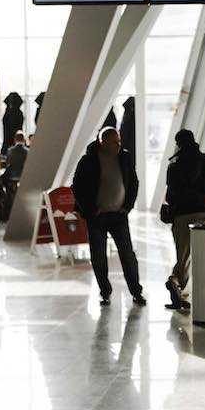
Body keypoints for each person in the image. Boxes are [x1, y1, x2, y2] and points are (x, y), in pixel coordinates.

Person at [72, 127, 144, 307]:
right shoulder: (88, 161)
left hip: (119, 215)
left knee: (127, 255)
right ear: (102, 143)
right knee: (99, 256)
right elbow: (77, 187)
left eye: (119, 141)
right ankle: (105, 291)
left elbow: (133, 182)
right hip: (97, 217)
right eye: (114, 142)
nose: (118, 145)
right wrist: (90, 209)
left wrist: (127, 206)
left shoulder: (124, 157)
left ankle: (136, 291)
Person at [164, 129, 205, 310]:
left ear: (178, 144)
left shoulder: (175, 165)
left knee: (184, 256)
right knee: (204, 256)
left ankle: (178, 285)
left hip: (182, 216)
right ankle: (196, 291)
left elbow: (171, 194)